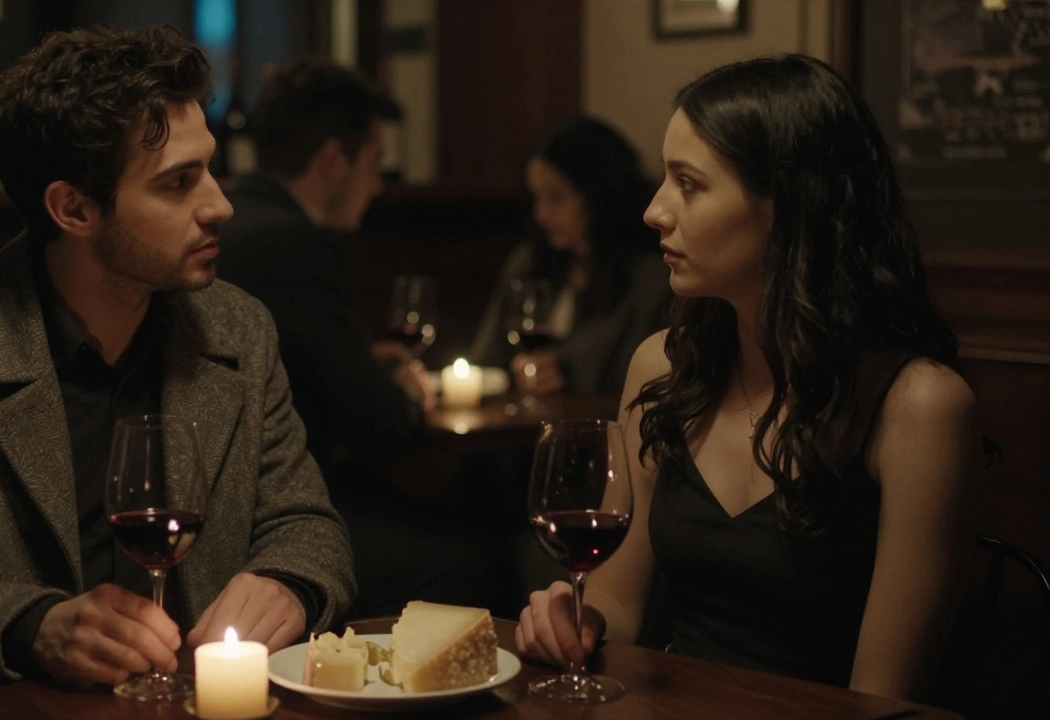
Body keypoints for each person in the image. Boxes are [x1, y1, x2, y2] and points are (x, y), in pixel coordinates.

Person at [0, 26, 355, 687]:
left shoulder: (238, 329)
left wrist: (288, 582)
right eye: (179, 182)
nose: (220, 205)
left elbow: (306, 522)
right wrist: (34, 626)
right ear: (73, 209)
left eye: (209, 169)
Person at [516, 54, 982, 701]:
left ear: (787, 205)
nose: (654, 210)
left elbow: (881, 697)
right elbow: (620, 605)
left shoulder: (918, 405)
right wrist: (577, 618)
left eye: (688, 183)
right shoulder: (664, 366)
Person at [216, 58, 507, 618]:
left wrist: (368, 362)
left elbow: (312, 366)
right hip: (269, 518)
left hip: (239, 497)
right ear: (333, 160)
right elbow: (380, 422)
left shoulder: (239, 217)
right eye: (373, 163)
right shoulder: (292, 245)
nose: (377, 185)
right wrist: (404, 392)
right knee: (472, 558)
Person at [470, 117, 671, 397]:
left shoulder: (649, 278)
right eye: (536, 197)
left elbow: (638, 382)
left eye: (556, 197)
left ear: (599, 196)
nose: (541, 214)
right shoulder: (529, 262)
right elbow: (486, 360)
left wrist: (566, 371)